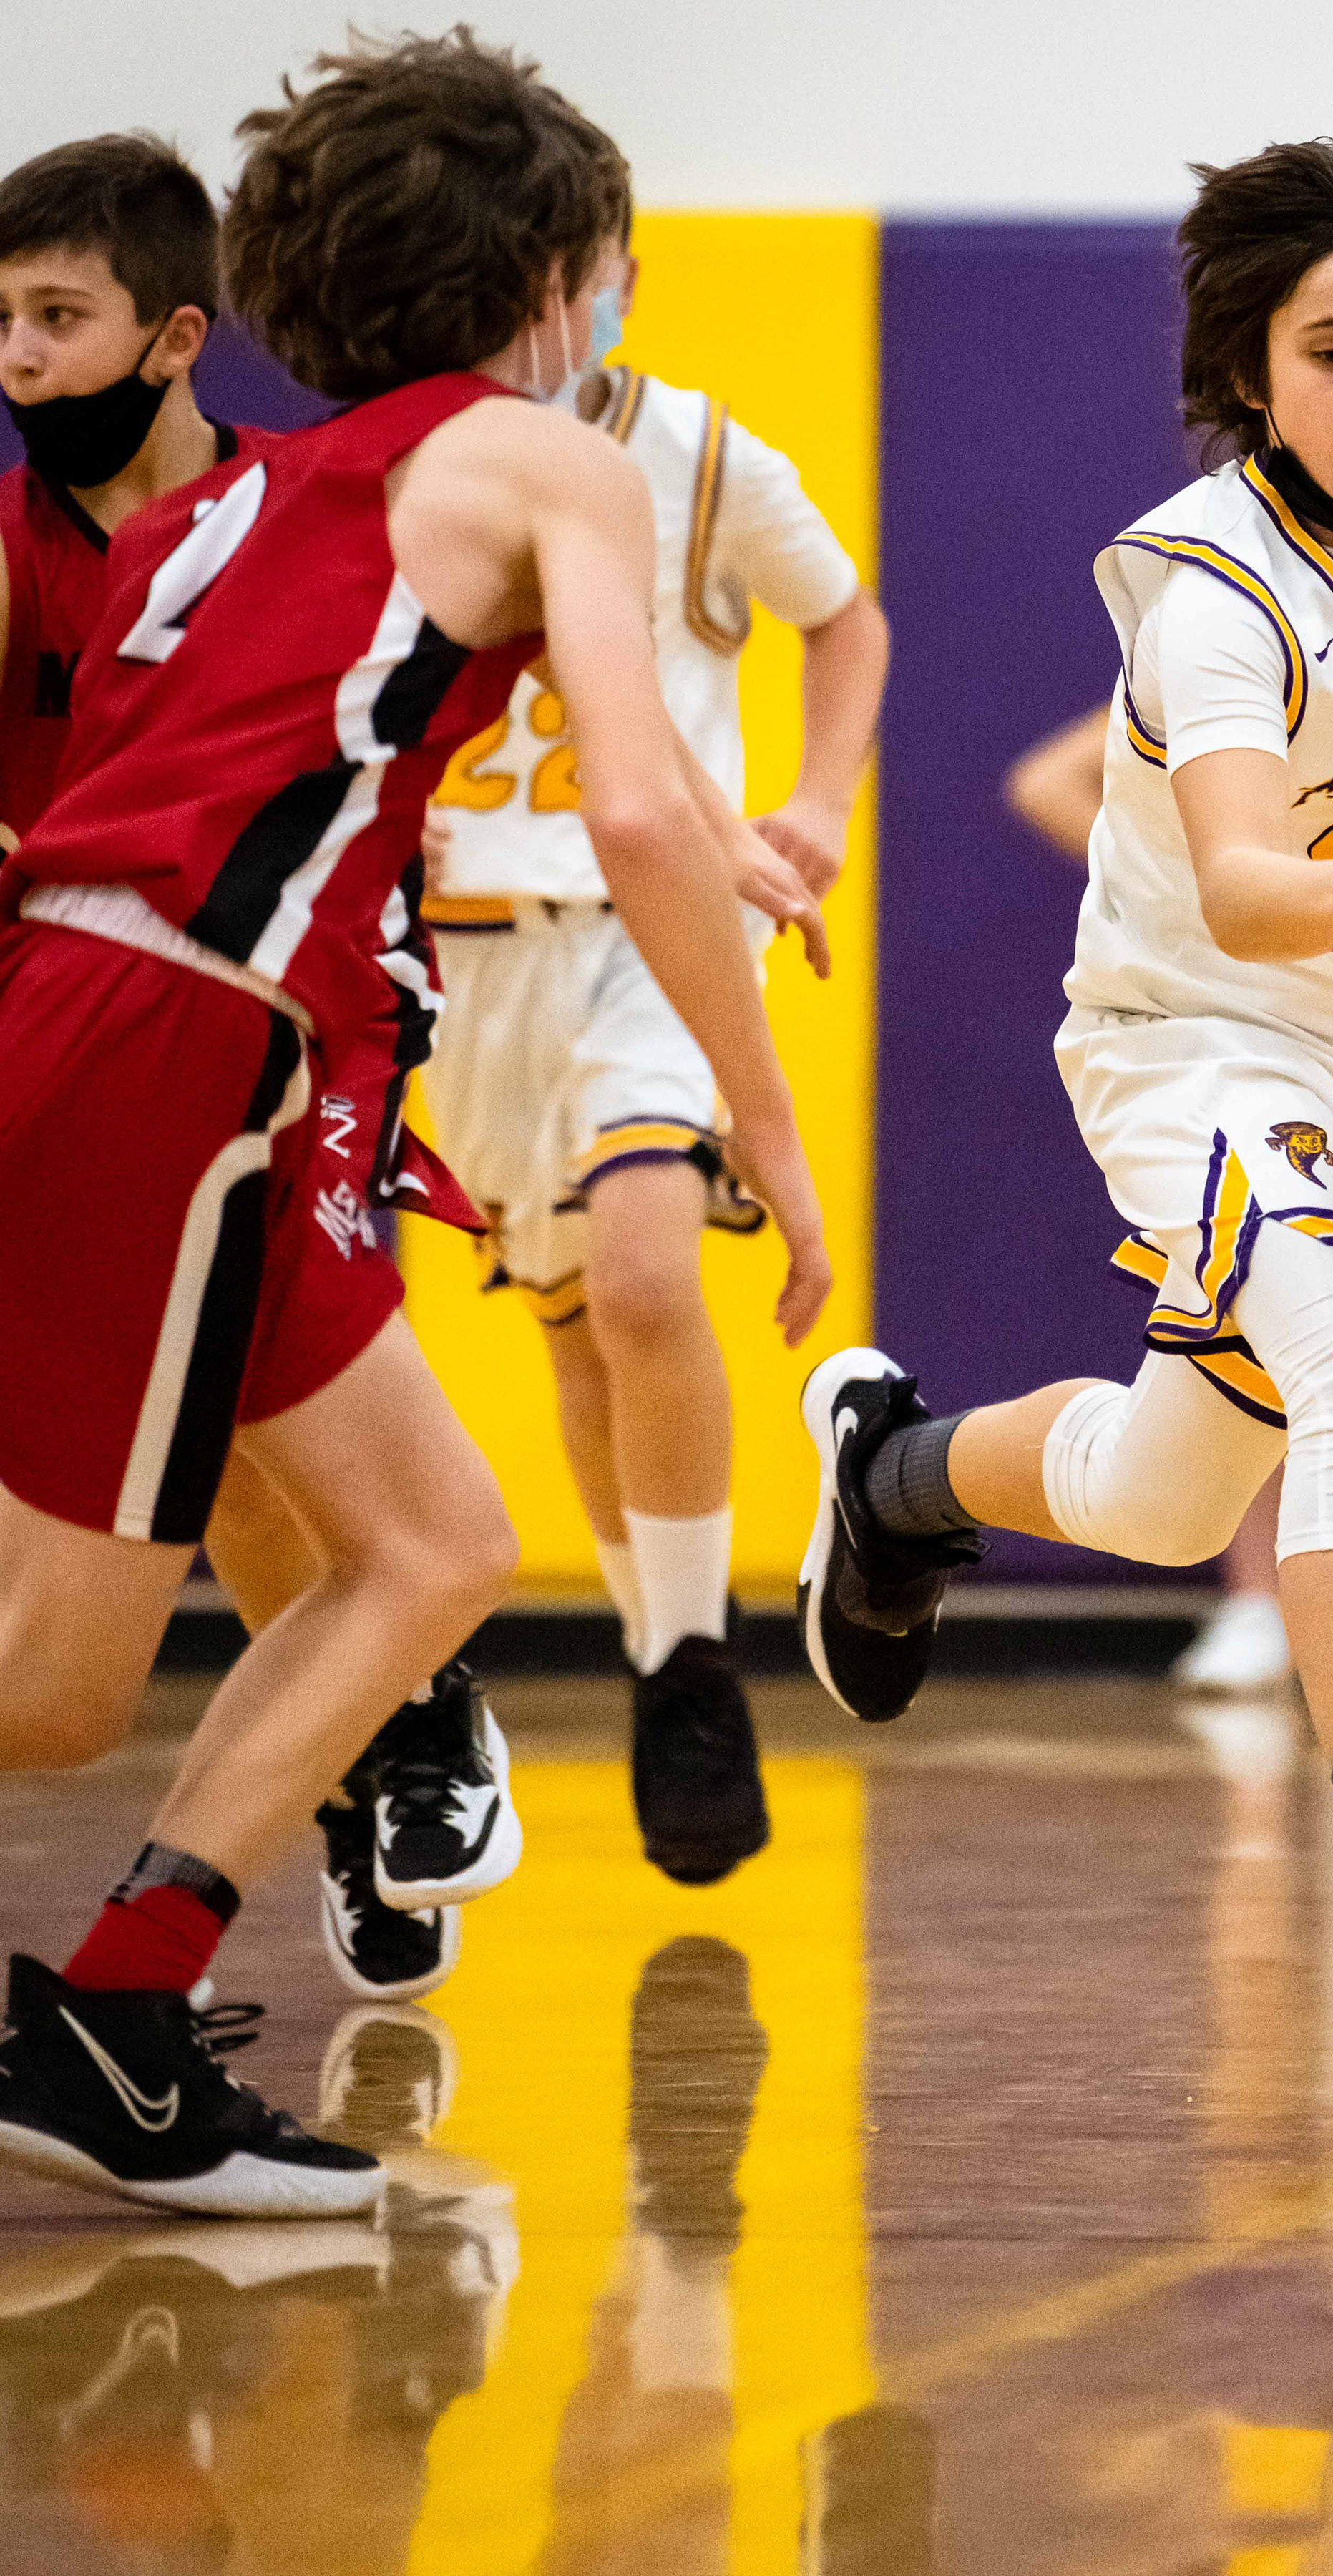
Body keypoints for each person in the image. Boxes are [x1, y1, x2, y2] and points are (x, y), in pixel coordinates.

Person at [0, 30, 829, 2219]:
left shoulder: (239, 497)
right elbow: (639, 810)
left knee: (437, 1543)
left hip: (149, 1035)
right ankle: (117, 2019)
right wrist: (767, 1124)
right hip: (182, 1044)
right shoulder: (552, 460)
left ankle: (124, 2017)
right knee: (53, 1692)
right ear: (560, 279)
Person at [801, 123, 1333, 2059]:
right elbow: (1244, 879)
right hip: (1194, 1036)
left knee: (1168, 1488)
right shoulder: (1214, 587)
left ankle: (894, 1480)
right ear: (1254, 372)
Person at [0, 132, 524, 2014]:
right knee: (218, 1471)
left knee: (306, 1447)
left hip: (305, 1005)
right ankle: (379, 1728)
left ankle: (388, 1723)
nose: (21, 356)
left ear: (176, 336)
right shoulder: (27, 554)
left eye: (58, 316)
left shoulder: (295, 506)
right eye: (3, 321)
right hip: (100, 1006)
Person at [420, 233, 888, 1885]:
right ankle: (650, 1641)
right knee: (570, 1328)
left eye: (582, 265)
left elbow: (846, 623)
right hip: (468, 947)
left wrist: (816, 803)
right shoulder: (402, 462)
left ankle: (695, 1664)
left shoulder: (696, 453)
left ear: (614, 268)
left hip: (656, 926)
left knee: (642, 1277)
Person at [1007, 702, 1333, 1697]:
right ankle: (1266, 1607)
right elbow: (1047, 781)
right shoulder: (1236, 657)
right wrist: (1163, 881)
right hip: (1242, 1028)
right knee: (1313, 1330)